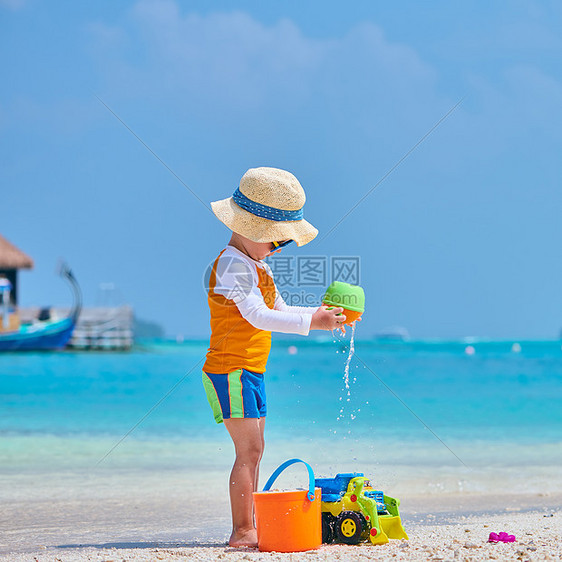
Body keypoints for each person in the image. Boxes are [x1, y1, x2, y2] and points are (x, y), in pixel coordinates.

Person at [202, 167, 346, 547]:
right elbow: (257, 316)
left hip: (249, 370)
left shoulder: (256, 266)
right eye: (276, 242)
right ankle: (242, 531)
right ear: (252, 228)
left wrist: (320, 315)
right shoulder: (232, 264)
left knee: (256, 449)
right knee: (247, 450)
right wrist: (311, 323)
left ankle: (250, 523)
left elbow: (279, 307)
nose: (278, 249)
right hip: (229, 369)